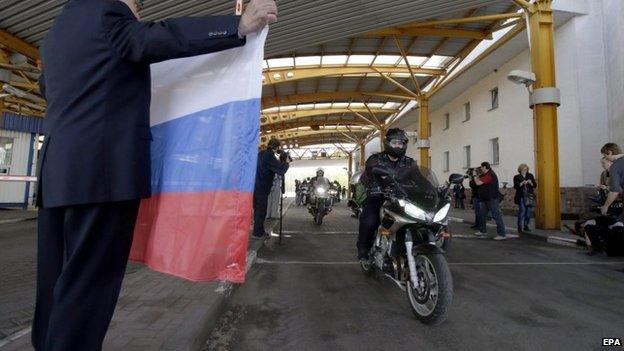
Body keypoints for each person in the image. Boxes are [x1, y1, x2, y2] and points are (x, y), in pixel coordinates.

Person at [34, 0, 277, 349]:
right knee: (88, 286)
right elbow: (153, 37)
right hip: (102, 175)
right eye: (137, 5)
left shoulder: (57, 31)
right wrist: (236, 27)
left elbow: (49, 88)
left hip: (58, 174)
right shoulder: (107, 12)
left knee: (55, 284)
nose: (138, 12)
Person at [357, 128, 415, 262]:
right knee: (370, 220)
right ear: (387, 143)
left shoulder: (409, 162)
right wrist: (377, 187)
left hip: (401, 199)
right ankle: (363, 250)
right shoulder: (375, 159)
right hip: (379, 196)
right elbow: (372, 172)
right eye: (394, 142)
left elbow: (417, 178)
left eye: (401, 143)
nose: (398, 146)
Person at [253, 138, 289, 239]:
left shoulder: (261, 153)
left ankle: (257, 230)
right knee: (261, 211)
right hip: (262, 187)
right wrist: (286, 162)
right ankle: (258, 233)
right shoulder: (270, 156)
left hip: (254, 186)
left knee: (257, 210)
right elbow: (281, 170)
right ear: (277, 147)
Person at [474, 162, 516, 240]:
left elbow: (478, 183)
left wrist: (475, 175)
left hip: (492, 199)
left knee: (496, 215)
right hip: (485, 199)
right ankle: (483, 231)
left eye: (481, 167)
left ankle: (502, 234)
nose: (480, 169)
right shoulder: (485, 175)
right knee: (482, 215)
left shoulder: (490, 175)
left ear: (484, 167)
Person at [513, 163, 537, 233]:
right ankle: (520, 227)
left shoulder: (530, 175)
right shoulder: (516, 177)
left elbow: (535, 185)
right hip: (521, 196)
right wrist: (521, 183)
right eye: (523, 170)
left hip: (529, 196)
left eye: (526, 169)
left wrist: (531, 183)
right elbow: (515, 186)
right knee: (522, 211)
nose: (525, 171)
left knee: (528, 212)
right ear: (520, 170)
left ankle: (526, 225)